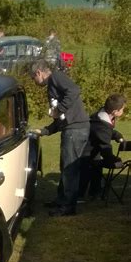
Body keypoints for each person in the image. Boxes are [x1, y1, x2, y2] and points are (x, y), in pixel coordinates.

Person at [31, 59, 89, 216]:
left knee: (70, 168)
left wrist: (60, 109)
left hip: (76, 129)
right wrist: (43, 131)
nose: (34, 81)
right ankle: (61, 200)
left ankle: (68, 207)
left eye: (33, 78)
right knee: (65, 166)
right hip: (70, 128)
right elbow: (60, 119)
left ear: (38, 73)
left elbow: (74, 90)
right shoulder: (52, 84)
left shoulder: (56, 77)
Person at [79, 93, 126, 199]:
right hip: (86, 153)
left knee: (96, 171)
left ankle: (95, 192)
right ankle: (78, 197)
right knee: (84, 175)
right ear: (115, 111)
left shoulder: (102, 116)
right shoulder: (101, 123)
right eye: (122, 109)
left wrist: (116, 135)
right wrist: (114, 160)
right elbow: (105, 146)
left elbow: (106, 132)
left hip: (93, 151)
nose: (123, 111)